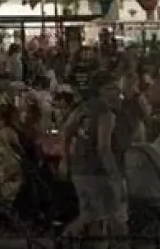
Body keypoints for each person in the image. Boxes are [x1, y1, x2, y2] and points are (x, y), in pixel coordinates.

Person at [61, 73, 128, 241]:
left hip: (79, 170)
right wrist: (115, 177)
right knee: (115, 214)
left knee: (90, 215)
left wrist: (65, 159)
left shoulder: (83, 108)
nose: (117, 92)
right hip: (97, 172)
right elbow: (103, 147)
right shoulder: (106, 114)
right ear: (101, 90)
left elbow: (66, 131)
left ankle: (65, 239)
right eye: (111, 88)